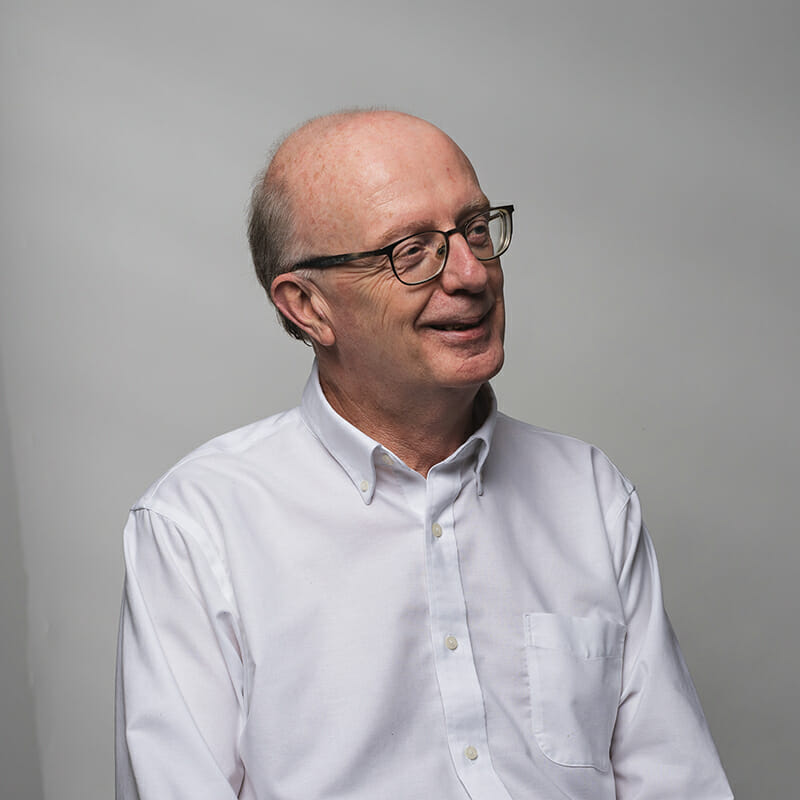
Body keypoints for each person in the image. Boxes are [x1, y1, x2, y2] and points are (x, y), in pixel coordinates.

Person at [115, 110, 733, 799]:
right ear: (307, 307)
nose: (471, 274)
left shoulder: (588, 493)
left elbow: (676, 781)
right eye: (411, 251)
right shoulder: (198, 527)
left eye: (475, 230)